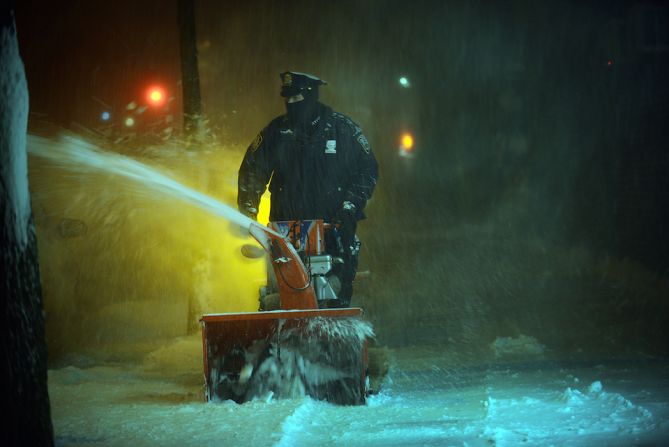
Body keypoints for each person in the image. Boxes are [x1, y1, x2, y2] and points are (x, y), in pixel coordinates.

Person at [238, 71, 378, 307]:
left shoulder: (341, 130)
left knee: (338, 282)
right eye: (288, 99)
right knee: (281, 285)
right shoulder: (276, 132)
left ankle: (339, 325)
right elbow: (252, 169)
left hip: (334, 225)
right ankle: (279, 328)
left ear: (312, 97)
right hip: (285, 228)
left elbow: (367, 169)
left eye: (297, 99)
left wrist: (350, 205)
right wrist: (248, 207)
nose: (292, 105)